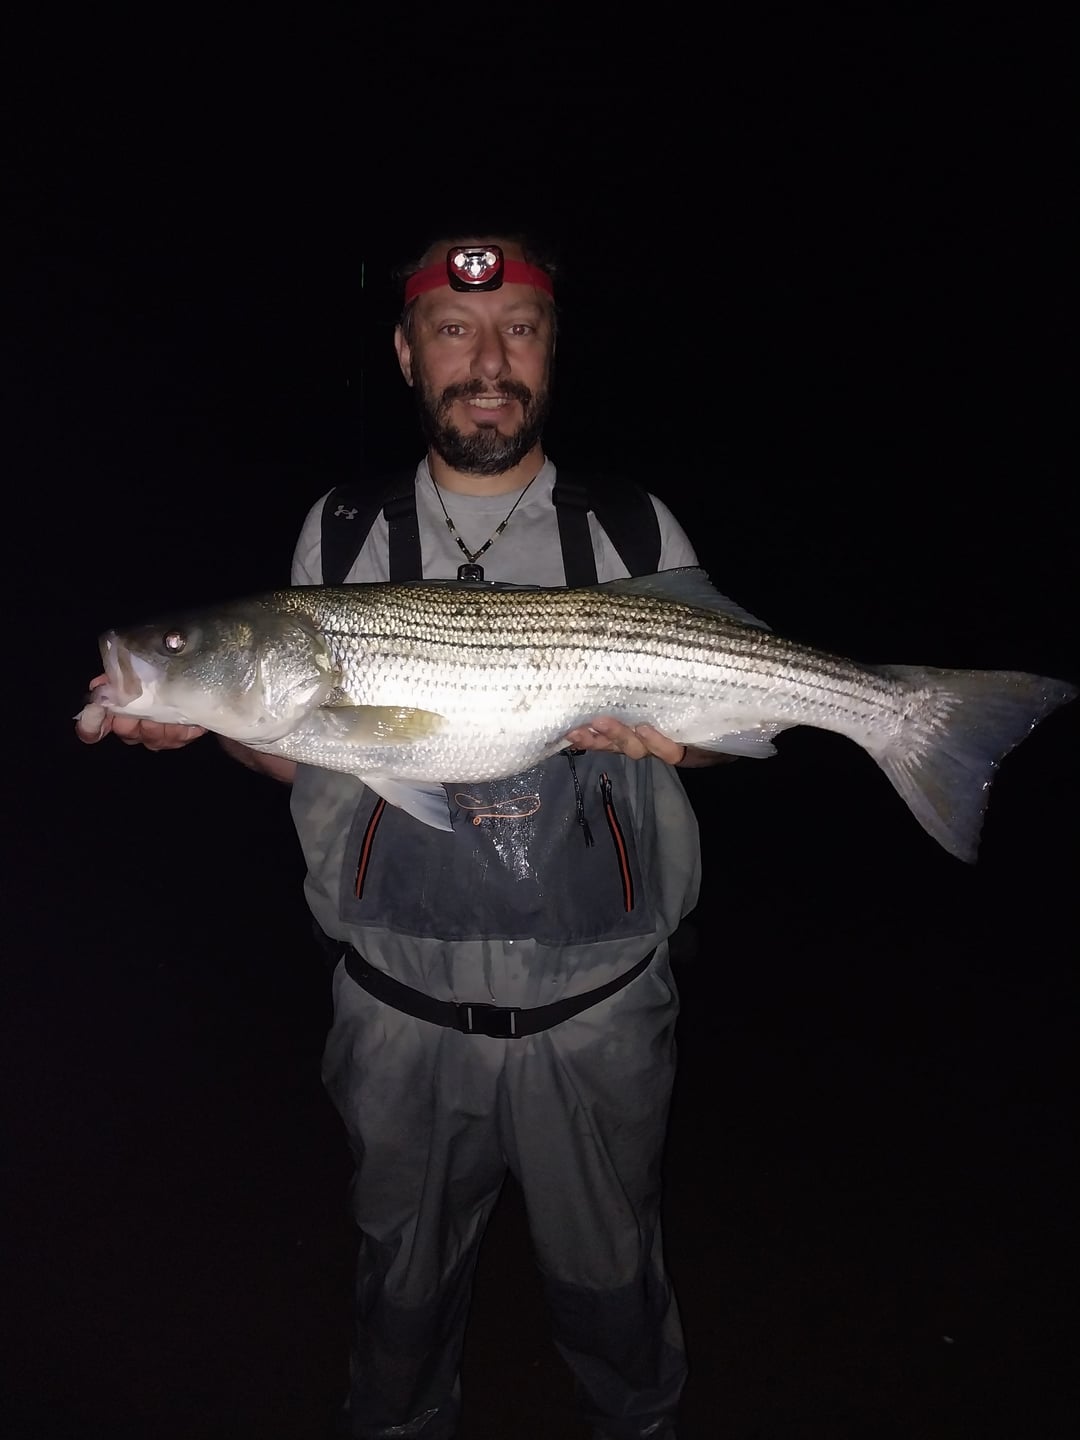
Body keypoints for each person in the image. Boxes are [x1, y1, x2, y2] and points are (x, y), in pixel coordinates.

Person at [77, 231, 736, 1440]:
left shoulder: (631, 529)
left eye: (519, 331)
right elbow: (316, 755)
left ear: (550, 351)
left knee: (613, 1286)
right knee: (400, 1293)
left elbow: (716, 730)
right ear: (406, 352)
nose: (488, 363)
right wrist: (200, 714)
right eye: (453, 332)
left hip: (599, 1011)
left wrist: (683, 742)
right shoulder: (339, 536)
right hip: (395, 1013)